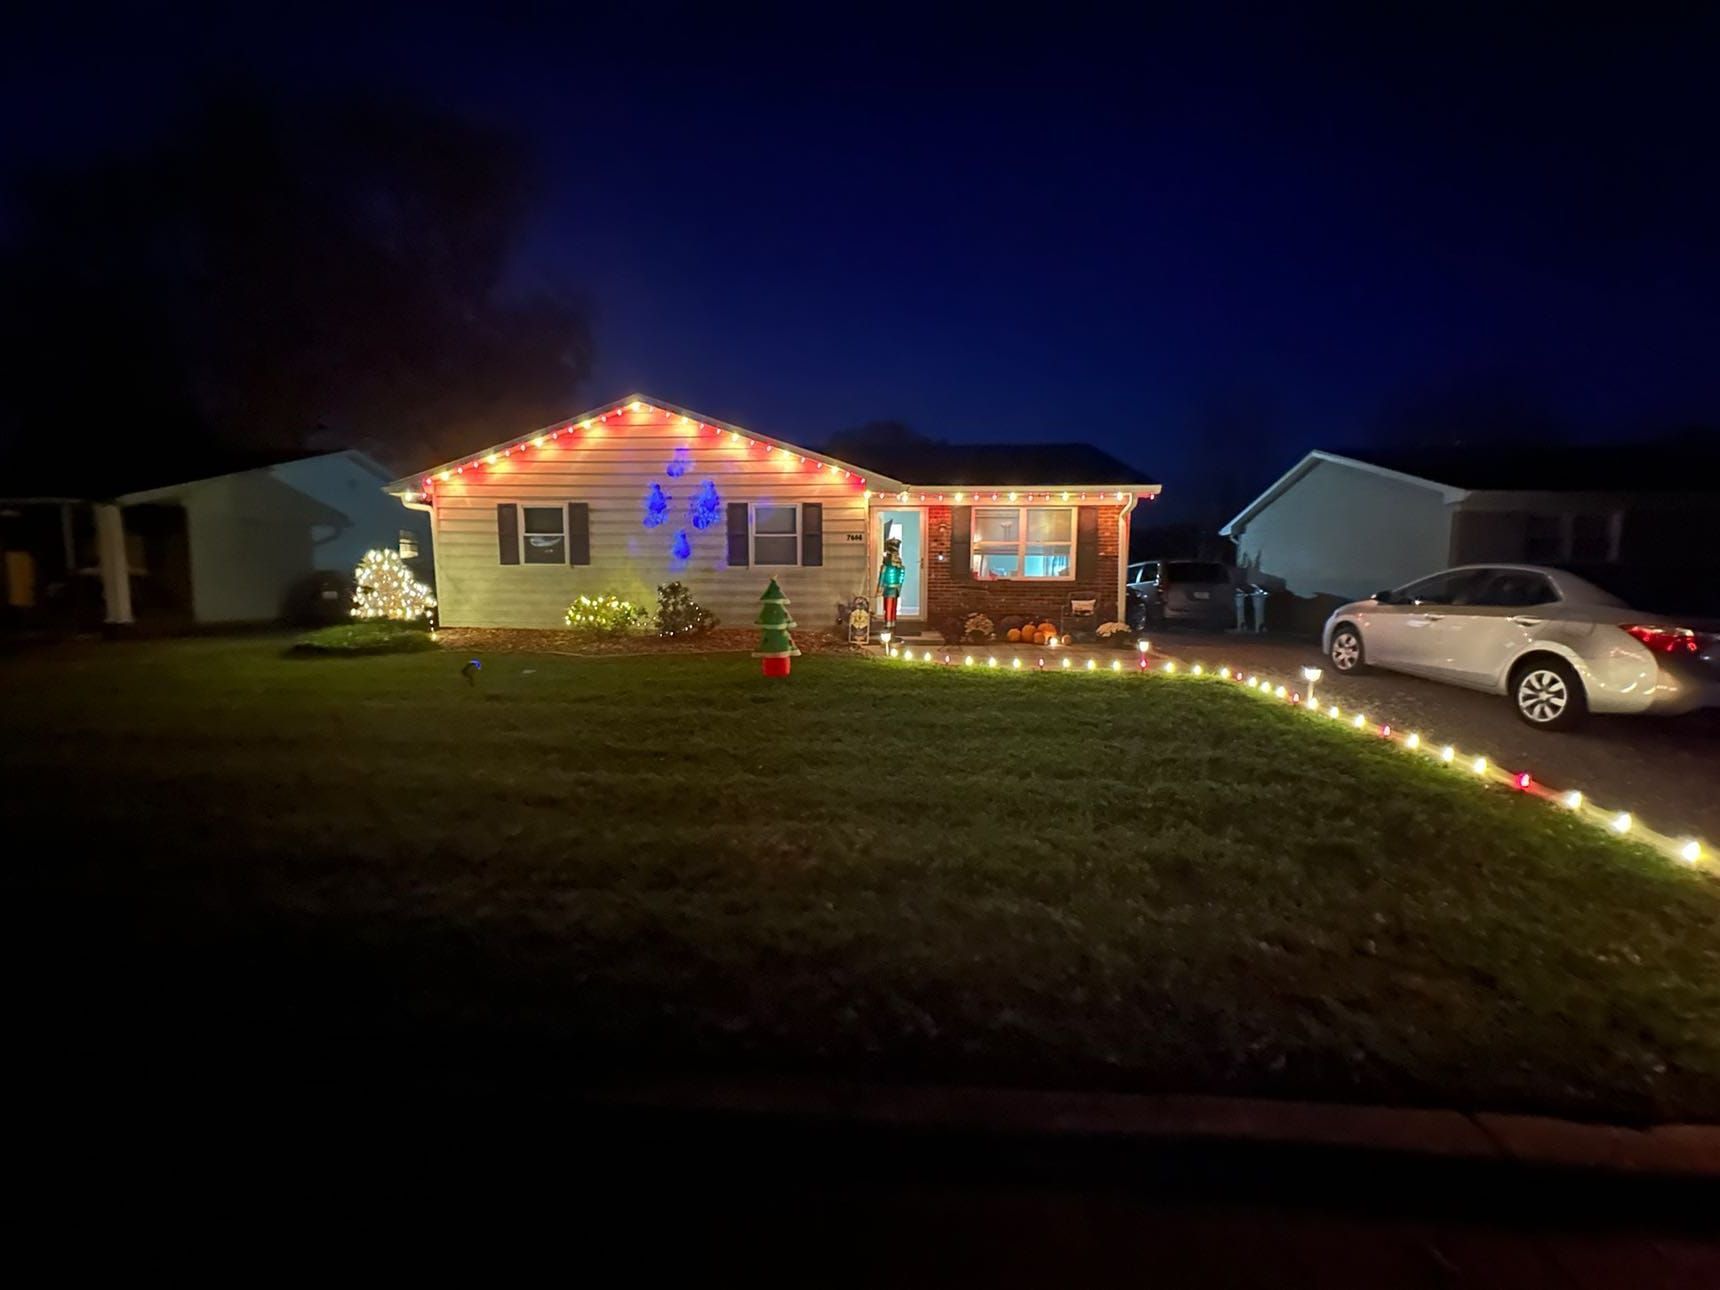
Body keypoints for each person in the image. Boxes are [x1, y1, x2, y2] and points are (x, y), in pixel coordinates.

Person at [876, 536, 906, 631]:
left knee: (889, 607)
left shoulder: (887, 563)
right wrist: (900, 586)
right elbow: (902, 575)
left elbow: (882, 575)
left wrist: (880, 588)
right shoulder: (899, 563)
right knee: (892, 606)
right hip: (895, 587)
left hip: (888, 587)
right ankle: (892, 622)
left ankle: (888, 624)